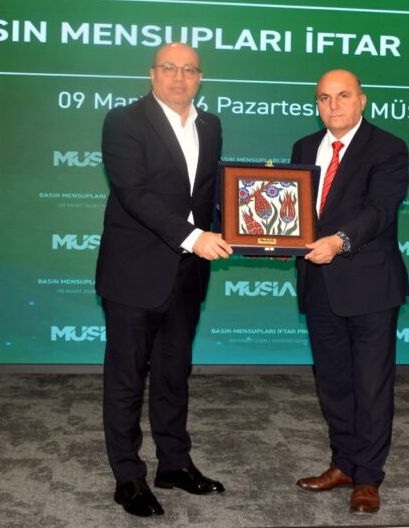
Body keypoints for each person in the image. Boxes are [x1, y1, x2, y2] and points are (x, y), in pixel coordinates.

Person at [96, 42, 232, 517]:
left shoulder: (211, 125)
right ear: (152, 73)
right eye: (170, 68)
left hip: (188, 273)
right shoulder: (123, 121)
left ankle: (174, 463)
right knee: (127, 378)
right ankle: (128, 477)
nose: (179, 77)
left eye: (189, 70)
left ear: (200, 78)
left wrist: (257, 232)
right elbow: (133, 193)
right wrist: (194, 237)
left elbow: (209, 196)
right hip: (135, 271)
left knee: (174, 374)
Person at [290, 69, 409, 515]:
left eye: (343, 96)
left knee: (371, 386)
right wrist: (280, 240)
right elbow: (295, 212)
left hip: (370, 285)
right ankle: (343, 463)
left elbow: (380, 210)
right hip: (319, 285)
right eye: (324, 98)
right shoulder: (304, 148)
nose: (334, 105)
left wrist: (339, 241)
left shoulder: (388, 147)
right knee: (334, 383)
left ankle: (368, 477)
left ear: (362, 100)